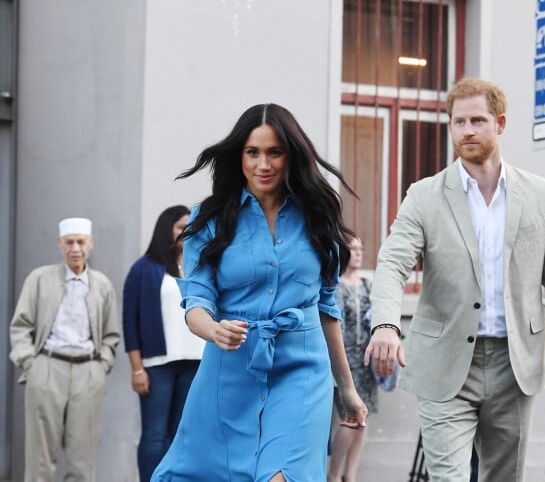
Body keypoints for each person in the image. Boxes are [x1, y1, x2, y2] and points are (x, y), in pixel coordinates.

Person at [364, 78, 545, 482]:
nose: (467, 131)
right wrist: (387, 325)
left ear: (500, 123)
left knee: (503, 477)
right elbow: (392, 265)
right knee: (449, 478)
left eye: (477, 120)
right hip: (444, 362)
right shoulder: (424, 196)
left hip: (515, 365)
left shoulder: (539, 194)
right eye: (458, 122)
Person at [152, 103, 368, 482]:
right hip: (229, 368)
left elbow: (326, 309)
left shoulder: (317, 219)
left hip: (302, 369)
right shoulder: (211, 219)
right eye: (253, 152)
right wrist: (214, 329)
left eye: (274, 152)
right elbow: (196, 301)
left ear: (291, 156)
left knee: (282, 477)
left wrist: (346, 390)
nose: (263, 164)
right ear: (239, 157)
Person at [9, 217, 120, 482]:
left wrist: (101, 365)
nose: (75, 248)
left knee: (83, 455)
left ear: (90, 244)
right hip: (47, 368)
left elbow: (111, 333)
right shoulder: (39, 279)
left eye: (81, 241)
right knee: (40, 456)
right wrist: (30, 364)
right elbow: (20, 326)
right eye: (69, 242)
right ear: (60, 244)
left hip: (88, 371)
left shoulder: (102, 284)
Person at [123, 205, 205, 481]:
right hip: (157, 365)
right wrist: (137, 369)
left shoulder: (198, 266)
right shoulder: (143, 269)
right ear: (166, 229)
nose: (187, 231)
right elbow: (130, 322)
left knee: (181, 434)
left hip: (194, 362)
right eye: (181, 226)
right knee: (155, 434)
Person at [328, 236, 377, 482]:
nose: (358, 253)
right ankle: (334, 475)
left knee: (363, 419)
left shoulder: (368, 285)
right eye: (352, 248)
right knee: (350, 419)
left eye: (360, 248)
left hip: (366, 363)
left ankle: (351, 475)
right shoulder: (334, 286)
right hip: (343, 362)